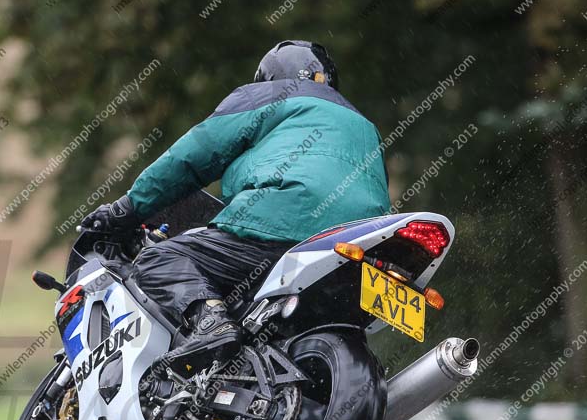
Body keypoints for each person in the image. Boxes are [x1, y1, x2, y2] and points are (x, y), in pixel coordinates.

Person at [81, 40, 390, 361]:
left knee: (159, 260)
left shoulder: (267, 97)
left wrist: (127, 208)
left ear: (271, 78)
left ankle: (211, 323)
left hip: (282, 222)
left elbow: (194, 155)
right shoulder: (363, 124)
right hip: (362, 242)